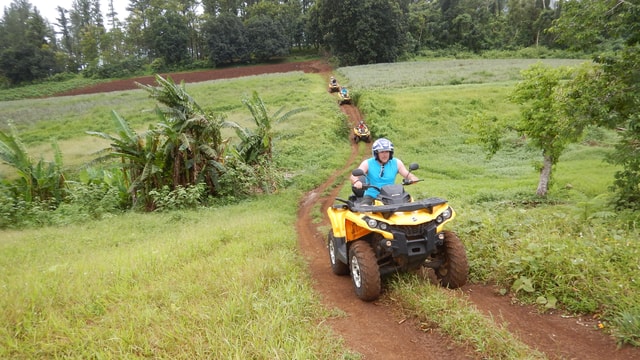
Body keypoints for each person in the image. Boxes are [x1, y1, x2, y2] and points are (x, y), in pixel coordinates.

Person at [351, 138, 419, 205]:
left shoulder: (396, 163)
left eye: (387, 151)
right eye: (382, 152)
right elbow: (353, 176)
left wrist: (413, 178)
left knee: (409, 206)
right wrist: (357, 182)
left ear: (390, 153)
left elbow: (407, 174)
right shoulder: (367, 163)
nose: (385, 155)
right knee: (364, 209)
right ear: (376, 153)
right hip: (372, 196)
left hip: (390, 196)